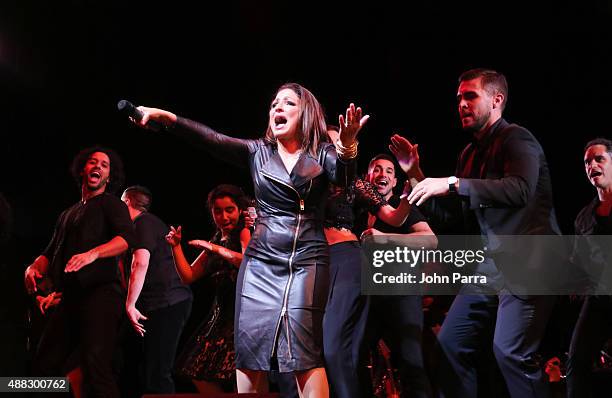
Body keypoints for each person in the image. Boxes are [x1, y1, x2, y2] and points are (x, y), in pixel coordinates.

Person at [132, 83, 367, 397]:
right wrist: (165, 117)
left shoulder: (322, 153)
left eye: (287, 103)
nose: (277, 109)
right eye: (273, 104)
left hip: (306, 260)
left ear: (306, 114)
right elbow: (211, 139)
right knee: (250, 356)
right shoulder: (257, 152)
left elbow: (346, 180)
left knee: (303, 355)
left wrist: (348, 146)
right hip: (260, 263)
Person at [396, 68, 561, 398]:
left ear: (496, 100)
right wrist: (415, 174)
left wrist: (453, 183)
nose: (461, 104)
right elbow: (454, 217)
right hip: (491, 266)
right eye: (458, 98)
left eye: (470, 96)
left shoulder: (517, 138)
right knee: (450, 345)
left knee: (510, 351)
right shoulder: (468, 155)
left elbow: (519, 190)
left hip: (532, 260)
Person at [24, 147, 136, 398]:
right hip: (70, 300)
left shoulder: (111, 204)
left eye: (104, 165)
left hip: (102, 296)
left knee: (98, 368)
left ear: (109, 176)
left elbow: (126, 238)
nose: (97, 166)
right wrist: (32, 268)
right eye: (92, 162)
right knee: (41, 366)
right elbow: (49, 252)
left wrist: (93, 253)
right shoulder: (68, 213)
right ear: (83, 170)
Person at [322, 127, 414, 398]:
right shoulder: (308, 180)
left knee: (335, 347)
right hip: (311, 264)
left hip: (345, 261)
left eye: (338, 141)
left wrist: (409, 190)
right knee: (309, 352)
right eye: (327, 142)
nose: (334, 147)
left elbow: (396, 217)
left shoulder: (355, 184)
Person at [354, 153, 437, 398]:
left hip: (400, 294)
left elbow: (431, 240)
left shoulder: (404, 209)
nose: (383, 175)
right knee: (353, 356)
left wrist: (386, 237)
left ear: (393, 181)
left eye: (389, 171)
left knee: (411, 361)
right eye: (377, 169)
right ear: (367, 177)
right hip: (365, 297)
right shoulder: (356, 209)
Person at [165, 184, 250, 394]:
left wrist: (215, 249)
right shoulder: (214, 239)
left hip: (241, 315)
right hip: (218, 316)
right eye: (218, 211)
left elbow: (248, 262)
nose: (224, 216)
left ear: (239, 210)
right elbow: (189, 275)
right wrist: (176, 247)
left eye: (229, 210)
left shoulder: (244, 232)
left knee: (239, 375)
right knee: (194, 369)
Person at [121, 185, 193, 394]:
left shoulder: (142, 222)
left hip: (168, 302)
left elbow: (140, 263)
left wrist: (130, 304)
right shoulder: (151, 223)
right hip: (162, 303)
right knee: (148, 368)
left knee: (158, 371)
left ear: (126, 203)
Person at [566, 138, 612, 398]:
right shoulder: (584, 218)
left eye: (599, 159)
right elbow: (578, 263)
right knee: (577, 362)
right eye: (587, 162)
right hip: (599, 300)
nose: (592, 165)